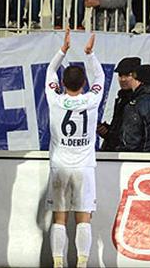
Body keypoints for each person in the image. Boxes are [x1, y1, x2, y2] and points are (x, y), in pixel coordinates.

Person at [45, 30, 104, 268]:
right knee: (83, 218)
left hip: (60, 166)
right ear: (84, 84)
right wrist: (90, 55)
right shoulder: (92, 99)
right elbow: (100, 77)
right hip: (84, 168)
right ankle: (82, 263)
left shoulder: (55, 99)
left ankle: (58, 263)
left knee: (59, 219)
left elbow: (50, 71)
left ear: (62, 83)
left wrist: (63, 50)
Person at [97, 56, 140, 151]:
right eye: (120, 75)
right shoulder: (121, 98)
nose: (123, 79)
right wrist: (107, 131)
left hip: (129, 152)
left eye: (127, 75)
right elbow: (119, 128)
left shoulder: (140, 99)